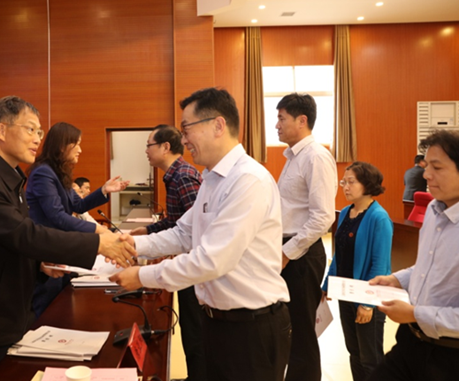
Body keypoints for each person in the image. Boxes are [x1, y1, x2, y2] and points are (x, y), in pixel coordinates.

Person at [0, 96, 136, 381]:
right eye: (30, 129)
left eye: (40, 132)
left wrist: (39, 264)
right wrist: (98, 243)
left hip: (10, 314)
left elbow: (9, 239)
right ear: (2, 130)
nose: (38, 139)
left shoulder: (8, 177)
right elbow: (25, 234)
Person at [110, 88, 291, 381]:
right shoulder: (211, 179)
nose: (183, 140)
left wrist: (141, 276)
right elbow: (184, 233)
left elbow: (211, 260)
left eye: (187, 130)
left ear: (218, 125)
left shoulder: (248, 180)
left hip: (251, 329)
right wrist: (133, 244)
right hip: (218, 322)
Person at [367, 130, 459, 381]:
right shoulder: (433, 209)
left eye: (437, 167)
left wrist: (415, 313)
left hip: (450, 355)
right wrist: (397, 279)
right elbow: (429, 265)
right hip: (411, 340)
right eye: (426, 166)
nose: (426, 174)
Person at [26, 121, 128, 315]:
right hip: (47, 251)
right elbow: (57, 216)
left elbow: (78, 205)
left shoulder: (59, 172)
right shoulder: (43, 173)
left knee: (64, 304)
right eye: (77, 144)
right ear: (62, 145)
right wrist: (99, 230)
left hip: (62, 249)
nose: (80, 150)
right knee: (47, 309)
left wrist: (104, 190)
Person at [129, 124, 205, 381]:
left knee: (195, 330)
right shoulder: (174, 175)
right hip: (186, 261)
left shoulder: (183, 176)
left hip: (195, 267)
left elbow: (196, 229)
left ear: (165, 147)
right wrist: (147, 230)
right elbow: (177, 222)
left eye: (149, 145)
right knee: (190, 328)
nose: (146, 151)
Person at [275, 92, 337, 381]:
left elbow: (323, 216)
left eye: (281, 118)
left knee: (301, 334)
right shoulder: (293, 157)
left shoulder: (316, 157)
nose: (277, 125)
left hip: (300, 254)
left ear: (302, 121)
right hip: (288, 250)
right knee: (288, 329)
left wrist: (287, 253)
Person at [322, 162, 393, 381]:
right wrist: (327, 284)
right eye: (344, 182)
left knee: (370, 359)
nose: (345, 187)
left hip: (367, 298)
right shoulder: (345, 212)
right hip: (346, 292)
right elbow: (339, 254)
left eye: (351, 182)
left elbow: (380, 265)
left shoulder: (379, 217)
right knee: (354, 352)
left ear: (367, 184)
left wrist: (367, 303)